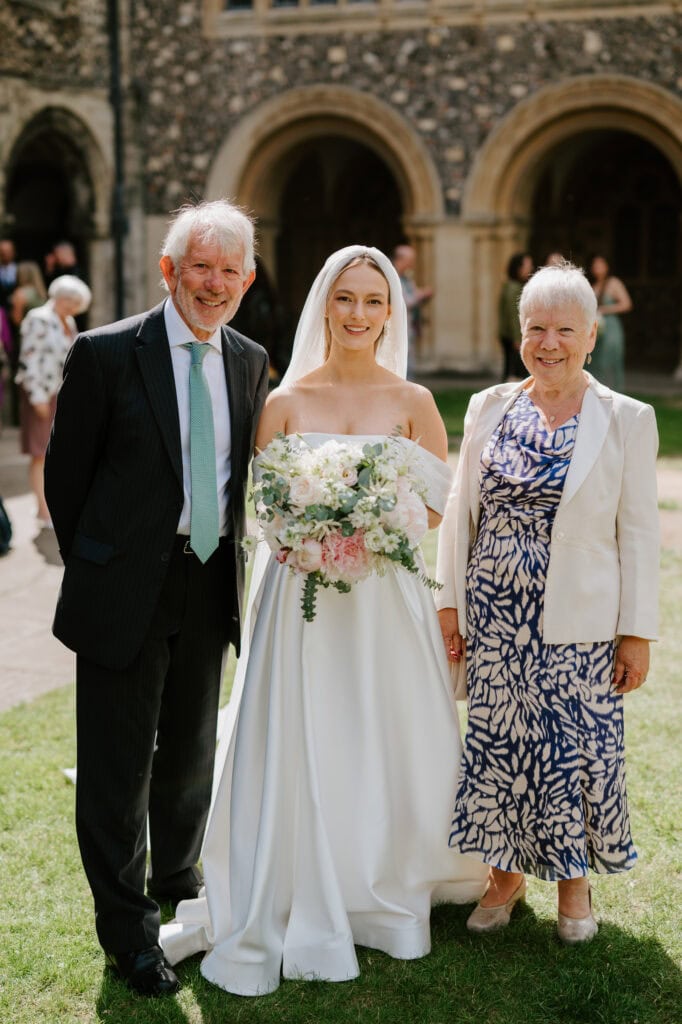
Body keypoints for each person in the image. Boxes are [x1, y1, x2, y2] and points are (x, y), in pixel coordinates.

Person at [160, 245, 487, 995]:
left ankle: (387, 874)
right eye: (347, 299)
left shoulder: (414, 402)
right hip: (298, 599)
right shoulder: (283, 402)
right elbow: (265, 507)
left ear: (391, 312)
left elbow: (434, 508)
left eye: (375, 301)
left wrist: (368, 528)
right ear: (324, 305)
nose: (359, 315)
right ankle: (296, 873)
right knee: (304, 729)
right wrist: (310, 534)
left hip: (383, 599)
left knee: (381, 726)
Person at [44, 200, 269, 997]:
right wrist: (107, 565)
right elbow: (67, 481)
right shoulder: (106, 354)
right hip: (123, 585)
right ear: (169, 271)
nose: (214, 283)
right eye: (200, 267)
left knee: (189, 754)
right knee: (116, 768)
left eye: (229, 270)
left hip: (209, 579)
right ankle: (129, 934)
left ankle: (180, 883)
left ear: (248, 279)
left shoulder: (249, 359)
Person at [436, 261, 659, 944]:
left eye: (566, 329)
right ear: (519, 333)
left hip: (580, 624)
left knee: (572, 755)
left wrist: (636, 633)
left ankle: (573, 886)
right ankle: (503, 879)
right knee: (501, 751)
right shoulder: (489, 406)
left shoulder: (627, 418)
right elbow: (459, 510)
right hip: (497, 617)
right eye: (537, 328)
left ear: (592, 336)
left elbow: (640, 533)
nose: (549, 342)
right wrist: (450, 604)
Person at [15, 275, 91, 525]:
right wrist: (37, 398)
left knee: (60, 452)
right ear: (58, 296)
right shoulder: (38, 318)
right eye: (70, 300)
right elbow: (29, 359)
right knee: (40, 453)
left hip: (61, 394)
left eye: (76, 302)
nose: (73, 306)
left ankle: (55, 504)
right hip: (41, 394)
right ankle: (42, 509)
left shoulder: (67, 320)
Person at [588, 254, 632, 392]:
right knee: (596, 361)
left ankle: (614, 393)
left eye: (600, 264)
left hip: (611, 327)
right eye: (595, 265)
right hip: (596, 327)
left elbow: (626, 304)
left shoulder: (614, 283)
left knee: (610, 359)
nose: (597, 268)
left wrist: (604, 309)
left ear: (607, 266)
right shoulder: (593, 285)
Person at [391, 243, 433, 377]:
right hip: (396, 328)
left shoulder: (406, 277)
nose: (412, 265)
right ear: (400, 260)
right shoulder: (392, 277)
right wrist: (421, 295)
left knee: (409, 363)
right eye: (410, 261)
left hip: (409, 326)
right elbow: (400, 302)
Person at [498, 251, 533, 381]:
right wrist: (518, 338)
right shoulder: (514, 288)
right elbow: (514, 315)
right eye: (527, 265)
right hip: (513, 336)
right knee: (514, 372)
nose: (530, 268)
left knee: (509, 370)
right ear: (518, 268)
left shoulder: (510, 285)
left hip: (508, 335)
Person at [10, 260, 47, 327]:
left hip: (25, 332)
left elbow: (16, 320)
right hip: (40, 330)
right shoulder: (42, 292)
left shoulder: (20, 293)